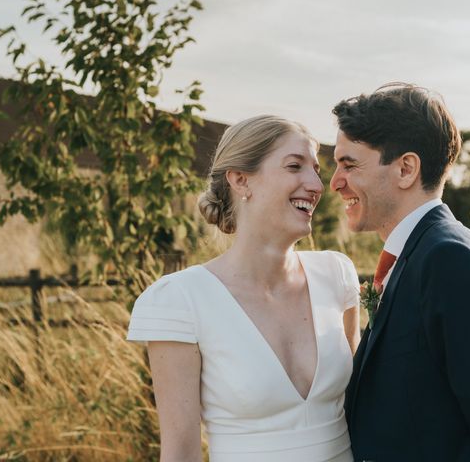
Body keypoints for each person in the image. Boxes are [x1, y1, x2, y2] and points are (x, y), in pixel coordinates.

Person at [330, 83, 470, 461]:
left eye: (349, 164)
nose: (335, 182)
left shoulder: (450, 260)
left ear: (406, 169)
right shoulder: (417, 253)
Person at [126, 115, 361, 462]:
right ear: (240, 180)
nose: (315, 185)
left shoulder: (336, 274)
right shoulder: (180, 301)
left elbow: (361, 408)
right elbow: (181, 451)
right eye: (295, 166)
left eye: (316, 171)